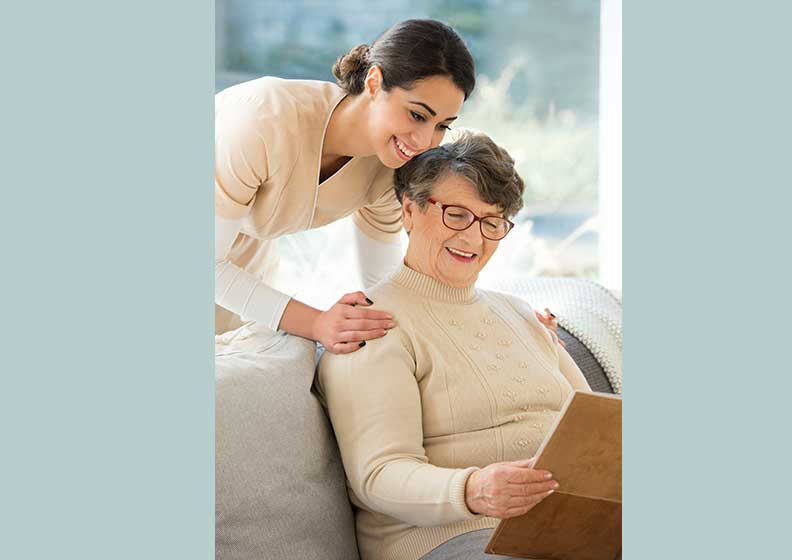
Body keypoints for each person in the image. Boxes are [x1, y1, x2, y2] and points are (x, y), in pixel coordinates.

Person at [316, 131, 592, 560]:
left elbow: (595, 429)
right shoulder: (372, 323)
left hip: (567, 527)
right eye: (457, 215)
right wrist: (473, 490)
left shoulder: (521, 314)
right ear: (409, 210)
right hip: (454, 539)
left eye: (491, 222)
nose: (474, 238)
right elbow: (379, 475)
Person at [214, 19, 475, 355]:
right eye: (416, 115)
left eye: (442, 126)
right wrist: (317, 323)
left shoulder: (389, 169)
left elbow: (383, 286)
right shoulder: (263, 122)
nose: (425, 141)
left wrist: (485, 326)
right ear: (374, 82)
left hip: (241, 269)